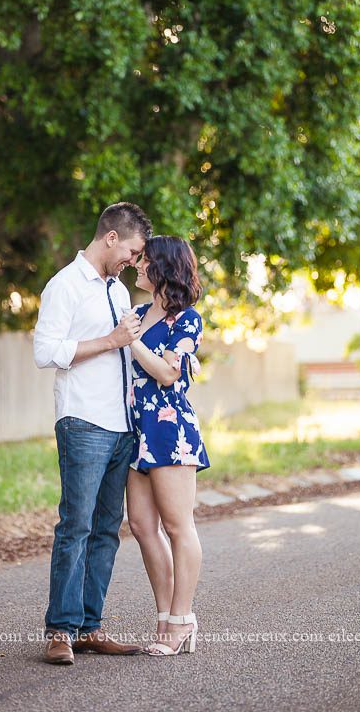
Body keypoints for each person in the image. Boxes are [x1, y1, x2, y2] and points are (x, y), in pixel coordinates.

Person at [33, 202, 152, 665]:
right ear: (111, 239)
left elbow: (131, 350)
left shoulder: (118, 292)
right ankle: (60, 631)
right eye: (133, 251)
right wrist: (110, 341)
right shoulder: (64, 286)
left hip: (122, 426)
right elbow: (45, 352)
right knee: (76, 526)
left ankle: (88, 626)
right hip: (83, 422)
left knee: (106, 530)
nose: (133, 261)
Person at [126, 235, 210, 657]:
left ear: (162, 267)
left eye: (143, 261)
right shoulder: (137, 313)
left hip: (171, 429)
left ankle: (181, 620)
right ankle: (163, 616)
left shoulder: (187, 319)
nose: (136, 266)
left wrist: (132, 340)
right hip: (137, 431)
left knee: (178, 526)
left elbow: (168, 374)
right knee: (142, 526)